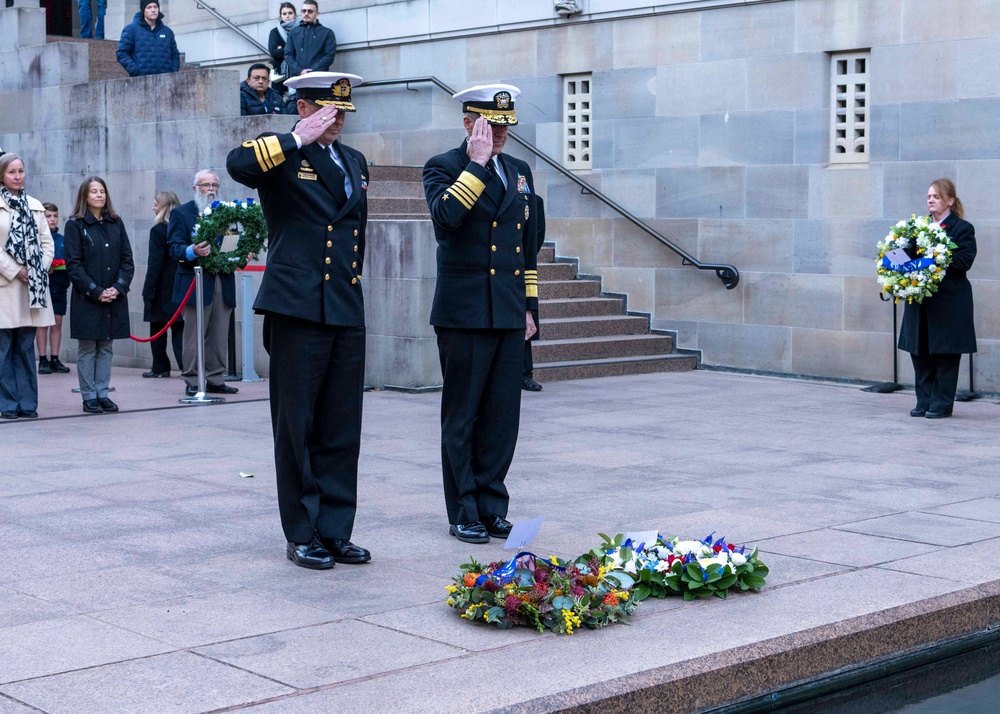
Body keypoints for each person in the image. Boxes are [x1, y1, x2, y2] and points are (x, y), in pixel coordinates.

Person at [227, 71, 371, 570]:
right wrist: (295, 139)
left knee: (340, 424)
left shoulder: (354, 161)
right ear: (306, 108)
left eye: (343, 113)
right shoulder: (283, 152)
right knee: (296, 424)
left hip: (344, 304)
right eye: (329, 111)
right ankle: (302, 531)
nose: (338, 122)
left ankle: (335, 529)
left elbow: (358, 232)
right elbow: (237, 164)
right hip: (297, 303)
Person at [423, 84, 540, 544]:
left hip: (508, 309)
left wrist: (530, 307)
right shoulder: (444, 166)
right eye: (493, 123)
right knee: (463, 415)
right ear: (470, 122)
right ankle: (464, 509)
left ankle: (492, 504)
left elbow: (526, 248)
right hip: (464, 310)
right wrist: (475, 164)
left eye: (507, 124)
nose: (502, 133)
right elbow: (446, 216)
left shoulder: (519, 171)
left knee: (501, 416)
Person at [898, 179, 977, 419]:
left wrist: (938, 254)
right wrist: (894, 257)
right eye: (929, 196)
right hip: (921, 302)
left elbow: (965, 261)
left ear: (950, 201)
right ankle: (923, 402)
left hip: (949, 303)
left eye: (936, 196)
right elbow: (905, 257)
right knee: (920, 353)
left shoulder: (962, 228)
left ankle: (941, 405)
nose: (931, 200)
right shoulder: (916, 227)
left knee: (945, 355)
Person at [64, 177, 134, 415]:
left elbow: (127, 260)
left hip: (113, 297)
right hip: (88, 298)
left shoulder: (116, 223)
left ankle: (103, 393)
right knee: (88, 348)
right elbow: (73, 266)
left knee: (106, 346)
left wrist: (118, 287)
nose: (99, 195)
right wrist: (96, 291)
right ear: (85, 196)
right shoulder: (75, 225)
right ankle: (89, 396)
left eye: (102, 191)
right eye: (93, 191)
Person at [167, 171, 239, 397]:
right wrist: (193, 250)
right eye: (205, 184)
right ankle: (192, 378)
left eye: (214, 185)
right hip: (195, 281)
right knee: (194, 335)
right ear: (195, 188)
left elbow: (233, 242)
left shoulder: (226, 212)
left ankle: (216, 377)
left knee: (219, 334)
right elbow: (174, 248)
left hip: (222, 280)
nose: (211, 189)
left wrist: (241, 254)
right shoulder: (181, 213)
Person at [0, 153, 54, 420]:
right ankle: (8, 405)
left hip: (32, 289)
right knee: (3, 351)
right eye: (12, 172)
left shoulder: (34, 205)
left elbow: (47, 244)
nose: (17, 176)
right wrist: (16, 270)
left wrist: (36, 270)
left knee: (24, 348)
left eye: (21, 171)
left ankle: (28, 404)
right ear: (2, 175)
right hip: (5, 288)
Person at [141, 191, 183, 378]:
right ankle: (186, 367)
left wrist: (148, 290)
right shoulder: (182, 228)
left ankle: (160, 367)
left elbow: (154, 263)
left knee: (157, 328)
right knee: (179, 330)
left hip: (161, 288)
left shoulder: (158, 230)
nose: (153, 207)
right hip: (180, 286)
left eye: (156, 204)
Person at [36, 203, 71, 375]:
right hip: (42, 287)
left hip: (60, 286)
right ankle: (42, 359)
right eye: (48, 216)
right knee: (42, 324)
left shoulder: (63, 240)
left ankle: (55, 358)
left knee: (57, 322)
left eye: (55, 216)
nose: (52, 219)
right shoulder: (37, 238)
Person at [116, 1, 180, 78]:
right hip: (140, 80)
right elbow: (122, 53)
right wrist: (135, 70)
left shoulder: (167, 32)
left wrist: (173, 72)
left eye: (155, 7)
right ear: (143, 10)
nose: (153, 10)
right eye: (149, 7)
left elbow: (175, 55)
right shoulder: (131, 29)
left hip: (166, 80)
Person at [522, 196, 546, 392]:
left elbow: (535, 237)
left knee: (525, 322)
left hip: (519, 264)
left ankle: (525, 374)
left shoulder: (533, 201)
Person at [284, 0, 337, 78]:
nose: (306, 13)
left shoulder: (327, 33)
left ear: (317, 14)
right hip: (299, 78)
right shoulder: (293, 33)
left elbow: (329, 56)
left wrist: (313, 72)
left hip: (319, 78)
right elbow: (288, 55)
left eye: (310, 11)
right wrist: (300, 71)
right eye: (304, 11)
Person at [268, 3, 297, 77]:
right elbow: (273, 53)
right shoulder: (275, 32)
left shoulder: (301, 29)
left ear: (295, 14)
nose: (287, 16)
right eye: (284, 14)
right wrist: (293, 48)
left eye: (290, 13)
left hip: (299, 71)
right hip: (281, 73)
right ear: (281, 16)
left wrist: (282, 49)